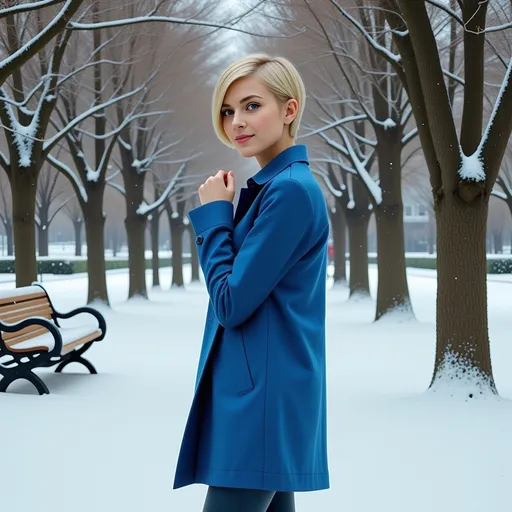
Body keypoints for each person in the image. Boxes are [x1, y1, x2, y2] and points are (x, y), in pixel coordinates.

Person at [173, 53, 330, 512]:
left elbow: (231, 302)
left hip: (261, 400)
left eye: (251, 106)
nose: (237, 121)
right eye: (228, 110)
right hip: (263, 391)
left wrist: (214, 219)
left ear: (289, 109)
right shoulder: (278, 187)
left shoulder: (289, 192)